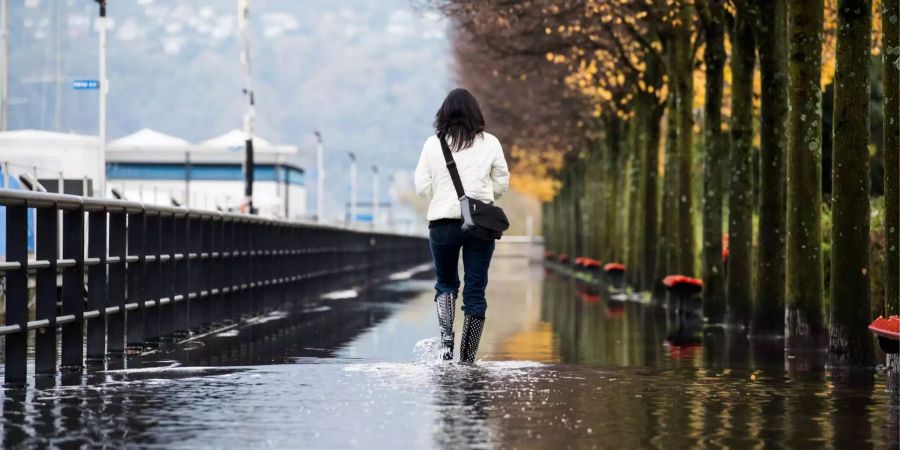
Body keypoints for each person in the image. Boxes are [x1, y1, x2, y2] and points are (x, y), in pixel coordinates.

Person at [414, 88, 510, 364]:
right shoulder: (490, 143)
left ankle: (446, 344)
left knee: (445, 284)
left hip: (442, 224)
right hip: (479, 225)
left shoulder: (433, 144)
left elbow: (422, 188)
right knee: (475, 291)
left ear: (444, 114)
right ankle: (467, 359)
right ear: (475, 113)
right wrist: (481, 196)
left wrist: (444, 195)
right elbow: (502, 184)